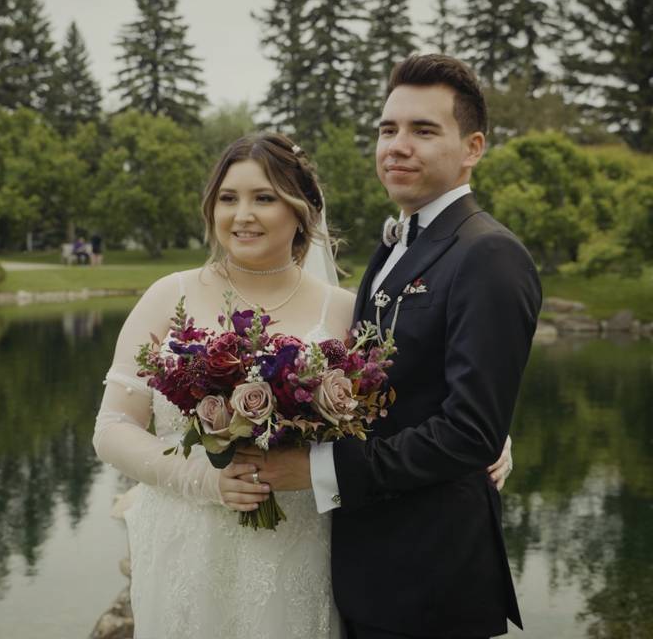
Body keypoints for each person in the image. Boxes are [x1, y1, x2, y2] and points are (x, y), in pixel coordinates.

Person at [93, 131, 514, 638]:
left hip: (297, 548)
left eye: (263, 198)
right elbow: (112, 427)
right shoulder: (168, 297)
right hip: (187, 545)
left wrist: (496, 439)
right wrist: (207, 481)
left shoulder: (343, 310)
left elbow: (413, 397)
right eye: (228, 198)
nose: (242, 214)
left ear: (301, 210)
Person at [233, 55, 540, 638]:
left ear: (472, 147)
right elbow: (403, 389)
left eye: (424, 131)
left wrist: (316, 468)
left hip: (431, 579)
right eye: (387, 129)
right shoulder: (394, 246)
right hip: (370, 569)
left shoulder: (489, 255)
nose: (397, 146)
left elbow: (469, 432)